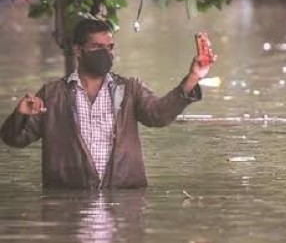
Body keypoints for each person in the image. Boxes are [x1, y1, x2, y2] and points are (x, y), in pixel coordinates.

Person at [1, 18, 215, 189]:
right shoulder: (53, 94)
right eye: (97, 46)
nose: (105, 52)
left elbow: (158, 115)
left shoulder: (130, 89)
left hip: (124, 200)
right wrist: (21, 114)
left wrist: (193, 77)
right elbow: (14, 139)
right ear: (78, 50)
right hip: (67, 203)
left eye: (109, 46)